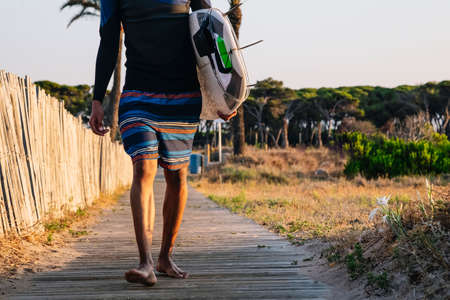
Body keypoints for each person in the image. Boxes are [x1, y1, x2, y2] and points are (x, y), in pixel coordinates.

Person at [89, 0, 235, 286]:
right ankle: (145, 263)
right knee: (143, 167)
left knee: (177, 175)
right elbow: (108, 42)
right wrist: (97, 99)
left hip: (183, 96)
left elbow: (214, 30)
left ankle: (165, 257)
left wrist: (228, 91)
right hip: (137, 95)